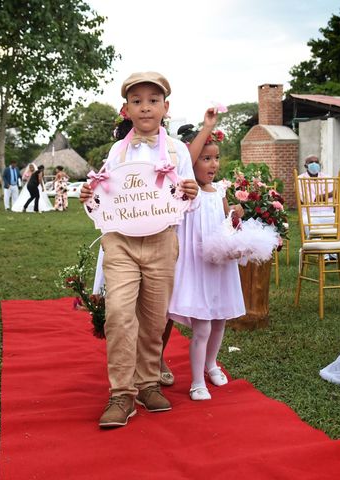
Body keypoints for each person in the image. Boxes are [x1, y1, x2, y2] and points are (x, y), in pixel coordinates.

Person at [80, 72, 199, 428]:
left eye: (152, 100)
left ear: (166, 107)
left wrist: (189, 194)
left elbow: (185, 201)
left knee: (153, 317)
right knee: (118, 313)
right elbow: (106, 194)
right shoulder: (118, 151)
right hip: (121, 241)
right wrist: (90, 194)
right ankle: (121, 393)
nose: (145, 107)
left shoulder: (177, 151)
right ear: (125, 109)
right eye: (137, 101)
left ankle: (147, 384)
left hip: (162, 240)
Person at [167, 131, 246, 401]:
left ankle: (211, 364)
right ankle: (197, 380)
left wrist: (235, 216)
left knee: (220, 318)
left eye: (216, 158)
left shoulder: (220, 192)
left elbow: (226, 223)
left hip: (219, 265)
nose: (213, 164)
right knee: (202, 326)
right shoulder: (186, 191)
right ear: (192, 163)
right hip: (196, 265)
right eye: (206, 158)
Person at [297, 155, 340, 259]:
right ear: (305, 165)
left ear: (320, 165)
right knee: (309, 225)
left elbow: (334, 195)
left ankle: (334, 251)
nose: (314, 164)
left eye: (316, 162)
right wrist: (326, 195)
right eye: (311, 162)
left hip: (329, 214)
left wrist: (321, 197)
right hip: (310, 214)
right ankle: (324, 255)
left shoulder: (326, 177)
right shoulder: (300, 179)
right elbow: (308, 200)